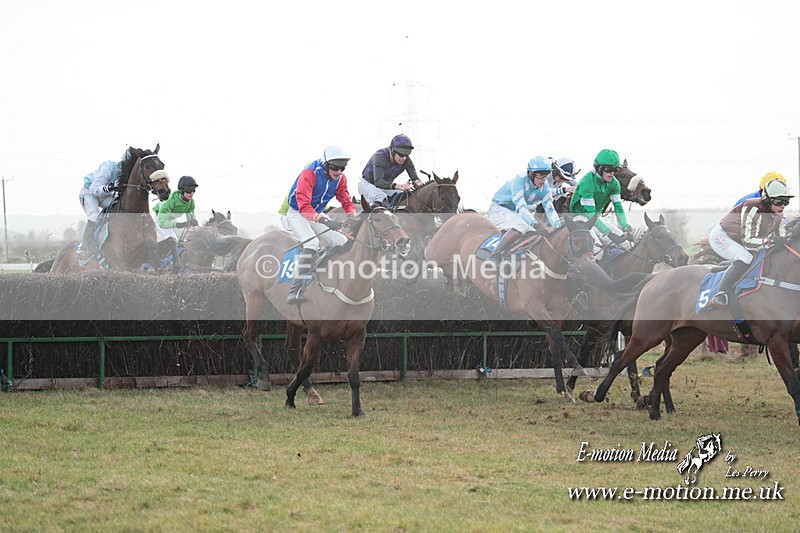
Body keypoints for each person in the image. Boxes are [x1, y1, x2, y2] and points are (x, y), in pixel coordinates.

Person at [285, 145, 357, 304]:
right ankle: (294, 289)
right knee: (312, 242)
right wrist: (324, 220)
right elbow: (304, 207)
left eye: (342, 168)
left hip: (316, 213)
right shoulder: (309, 174)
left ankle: (339, 281)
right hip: (298, 213)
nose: (338, 172)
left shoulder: (340, 179)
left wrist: (351, 214)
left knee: (342, 241)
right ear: (325, 165)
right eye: (334, 167)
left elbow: (345, 199)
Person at [709, 179, 793, 306]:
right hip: (722, 236)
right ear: (767, 199)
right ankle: (720, 293)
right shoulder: (753, 207)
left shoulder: (779, 214)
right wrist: (772, 240)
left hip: (740, 240)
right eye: (779, 201)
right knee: (745, 257)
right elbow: (748, 242)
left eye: (786, 202)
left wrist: (788, 238)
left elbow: (781, 238)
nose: (782, 206)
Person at [486, 156, 562, 263]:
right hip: (499, 208)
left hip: (514, 212)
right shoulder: (519, 180)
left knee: (533, 232)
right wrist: (535, 224)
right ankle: (494, 256)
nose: (543, 179)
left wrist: (558, 226)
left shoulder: (544, 187)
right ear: (531, 173)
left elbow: (550, 208)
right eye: (540, 175)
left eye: (546, 175)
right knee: (522, 226)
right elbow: (521, 208)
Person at [569, 148, 634, 255]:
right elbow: (590, 213)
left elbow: (618, 207)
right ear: (599, 168)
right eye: (609, 170)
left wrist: (626, 226)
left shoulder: (614, 183)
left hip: (596, 218)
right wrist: (607, 233)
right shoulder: (586, 182)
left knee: (628, 245)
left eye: (615, 170)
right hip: (581, 219)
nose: (612, 173)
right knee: (598, 252)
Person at [77, 147, 135, 260]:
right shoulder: (108, 166)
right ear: (125, 162)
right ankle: (84, 248)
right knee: (94, 216)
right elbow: (94, 189)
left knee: (119, 209)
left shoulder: (126, 174)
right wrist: (109, 187)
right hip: (89, 193)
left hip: (105, 195)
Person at [359, 134, 422, 207]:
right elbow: (378, 182)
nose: (404, 158)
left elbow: (415, 179)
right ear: (392, 151)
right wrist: (400, 186)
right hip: (367, 184)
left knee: (402, 195)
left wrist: (421, 186)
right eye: (401, 155)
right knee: (381, 196)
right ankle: (365, 217)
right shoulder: (380, 156)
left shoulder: (406, 160)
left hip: (385, 187)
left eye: (407, 155)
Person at [153, 176, 199, 243]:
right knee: (173, 240)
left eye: (193, 190)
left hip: (172, 220)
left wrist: (193, 222)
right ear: (181, 190)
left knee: (186, 239)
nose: (191, 193)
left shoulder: (191, 202)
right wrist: (178, 225)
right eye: (188, 190)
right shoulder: (169, 200)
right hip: (159, 220)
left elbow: (190, 220)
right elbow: (162, 223)